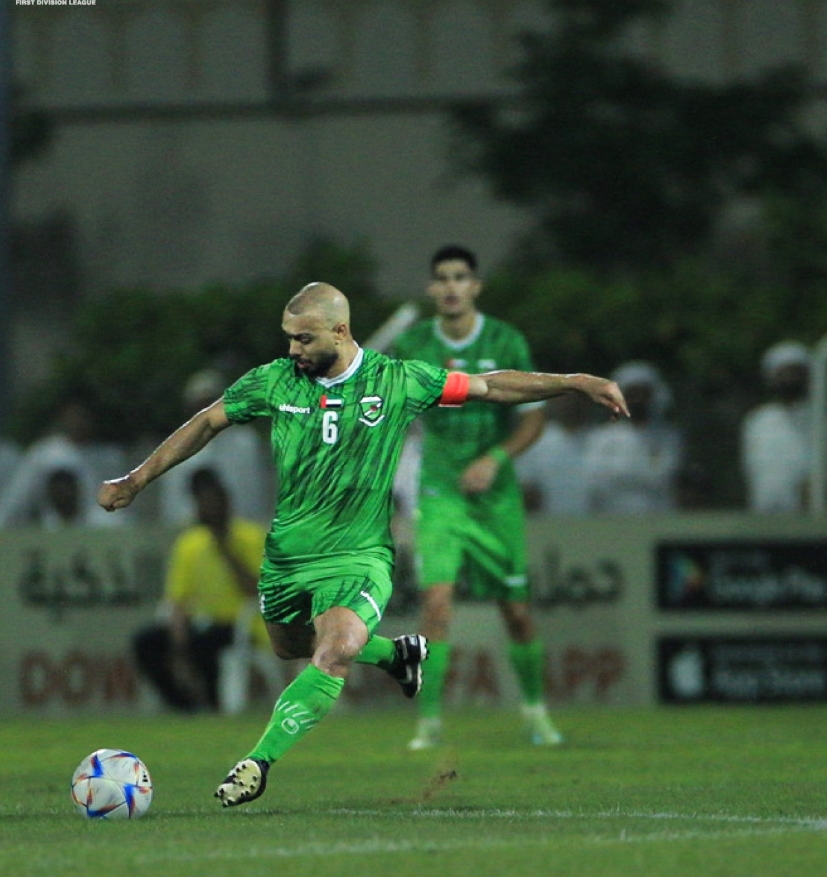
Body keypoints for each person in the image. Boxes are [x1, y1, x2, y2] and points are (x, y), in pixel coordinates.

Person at [98, 281, 628, 807]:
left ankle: (256, 763)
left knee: (333, 653)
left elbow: (491, 386)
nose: (292, 350)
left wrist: (575, 381)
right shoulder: (273, 382)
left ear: (340, 331)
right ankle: (396, 655)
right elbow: (207, 423)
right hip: (287, 558)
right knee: (290, 647)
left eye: (303, 339)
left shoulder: (397, 381)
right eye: (288, 338)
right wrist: (136, 480)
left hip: (359, 556)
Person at [391, 245, 563, 751]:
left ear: (475, 286)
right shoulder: (413, 343)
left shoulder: (506, 340)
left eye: (460, 277)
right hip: (440, 492)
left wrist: (497, 459)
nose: (450, 286)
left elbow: (534, 416)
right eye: (441, 277)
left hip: (495, 499)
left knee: (516, 610)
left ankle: (535, 712)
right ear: (430, 288)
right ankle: (428, 723)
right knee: (436, 605)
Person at [133, 468, 267, 712]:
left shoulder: (252, 536)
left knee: (206, 642)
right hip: (198, 623)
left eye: (215, 503)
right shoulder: (189, 543)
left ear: (227, 503)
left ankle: (216, 704)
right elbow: (176, 599)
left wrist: (225, 547)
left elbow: (255, 591)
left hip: (241, 625)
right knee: (147, 643)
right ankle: (182, 706)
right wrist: (178, 638)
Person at [740, 341, 827, 513]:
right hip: (767, 522)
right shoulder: (758, 421)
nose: (789, 379)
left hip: (818, 518)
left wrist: (822, 485)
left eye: (795, 372)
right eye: (782, 373)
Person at [157, 369, 273, 527]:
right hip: (195, 533)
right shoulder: (177, 446)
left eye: (212, 402)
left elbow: (256, 490)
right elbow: (174, 505)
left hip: (245, 528)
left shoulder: (245, 442)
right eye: (202, 404)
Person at [0, 400, 129, 528]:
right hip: (51, 527)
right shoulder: (44, 453)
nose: (79, 422)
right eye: (74, 417)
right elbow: (17, 500)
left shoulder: (108, 456)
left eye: (84, 417)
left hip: (97, 527)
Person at [582, 361, 683, 514]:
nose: (638, 400)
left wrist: (622, 475)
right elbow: (595, 480)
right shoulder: (602, 438)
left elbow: (665, 477)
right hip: (613, 517)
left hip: (659, 515)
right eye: (632, 394)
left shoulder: (669, 437)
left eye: (643, 394)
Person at [517, 392, 594, 515]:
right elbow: (525, 486)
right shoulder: (537, 438)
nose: (570, 404)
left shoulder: (601, 438)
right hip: (549, 523)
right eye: (565, 399)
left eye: (575, 398)